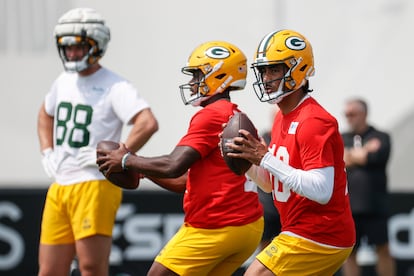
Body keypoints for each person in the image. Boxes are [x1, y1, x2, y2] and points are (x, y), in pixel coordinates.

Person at [97, 40, 264, 276]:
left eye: (197, 75)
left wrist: (126, 160)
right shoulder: (236, 115)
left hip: (215, 227)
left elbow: (173, 165)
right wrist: (144, 170)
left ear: (218, 77)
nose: (192, 83)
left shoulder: (210, 116)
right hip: (247, 228)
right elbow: (185, 181)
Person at [223, 29, 356, 275]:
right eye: (263, 71)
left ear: (298, 70)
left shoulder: (315, 120)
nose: (266, 78)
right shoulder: (282, 118)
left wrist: (265, 158)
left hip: (319, 234)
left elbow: (321, 190)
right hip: (302, 230)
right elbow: (271, 185)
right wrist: (250, 162)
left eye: (274, 69)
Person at [37, 8, 158, 276]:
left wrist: (114, 157)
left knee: (91, 266)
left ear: (96, 45)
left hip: (95, 183)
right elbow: (45, 114)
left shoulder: (115, 86)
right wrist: (47, 152)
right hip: (61, 184)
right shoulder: (63, 81)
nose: (71, 53)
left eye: (78, 47)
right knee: (49, 269)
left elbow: (147, 122)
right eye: (66, 47)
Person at [341, 98, 396, 276]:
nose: (348, 118)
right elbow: (340, 160)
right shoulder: (341, 138)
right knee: (349, 253)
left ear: (363, 113)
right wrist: (364, 152)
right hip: (349, 206)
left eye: (352, 114)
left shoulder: (380, 136)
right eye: (347, 114)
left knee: (383, 250)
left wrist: (351, 156)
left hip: (375, 205)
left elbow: (377, 157)